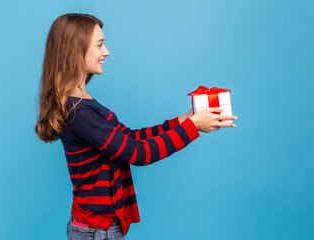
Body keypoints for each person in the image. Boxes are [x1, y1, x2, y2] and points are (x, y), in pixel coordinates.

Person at [35, 13, 237, 240]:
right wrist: (192, 127)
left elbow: (129, 138)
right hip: (96, 232)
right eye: (99, 45)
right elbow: (137, 153)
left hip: (98, 229)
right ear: (75, 50)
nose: (106, 52)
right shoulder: (80, 113)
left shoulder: (83, 104)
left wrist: (184, 119)